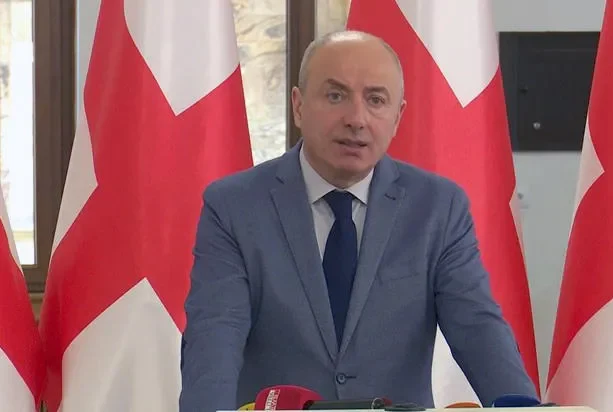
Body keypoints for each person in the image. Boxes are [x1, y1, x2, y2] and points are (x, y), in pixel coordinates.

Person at [179, 30, 537, 411]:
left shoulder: (439, 208)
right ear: (298, 106)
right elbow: (214, 338)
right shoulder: (233, 206)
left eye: (376, 100)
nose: (356, 119)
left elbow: (479, 330)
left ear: (397, 117)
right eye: (335, 96)